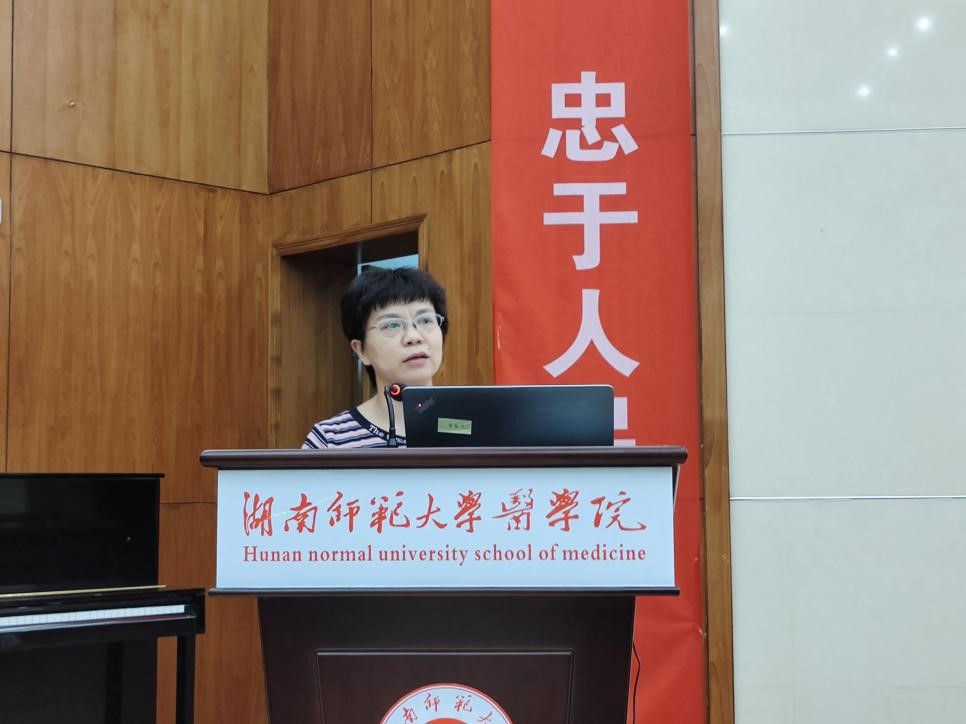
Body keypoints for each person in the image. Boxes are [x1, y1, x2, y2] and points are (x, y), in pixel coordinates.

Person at [302, 267, 448, 449]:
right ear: (361, 350)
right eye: (392, 325)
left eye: (426, 320)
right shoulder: (329, 440)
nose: (413, 337)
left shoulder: (474, 425)